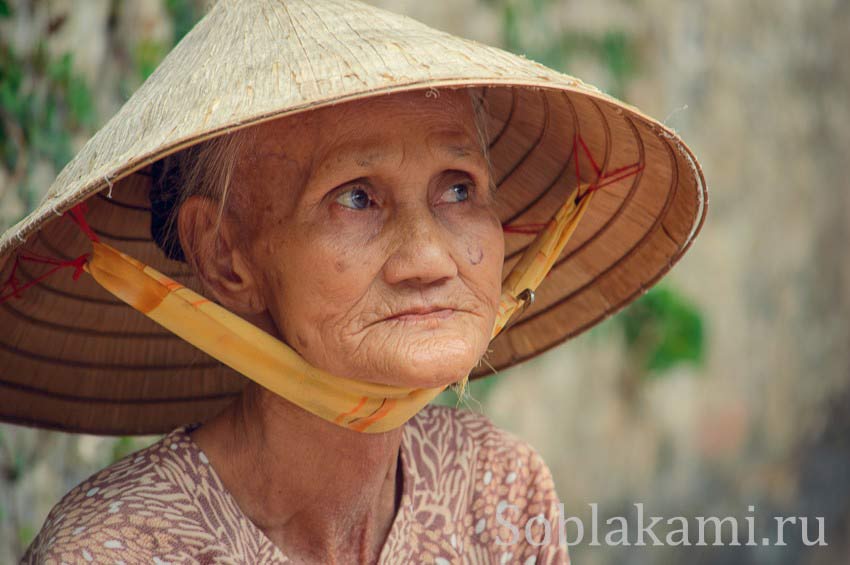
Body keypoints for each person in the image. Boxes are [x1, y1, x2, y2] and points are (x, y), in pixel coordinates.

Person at [0, 0, 707, 563]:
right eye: (356, 197)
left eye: (458, 189)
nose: (430, 258)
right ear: (224, 256)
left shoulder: (496, 490)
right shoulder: (118, 551)